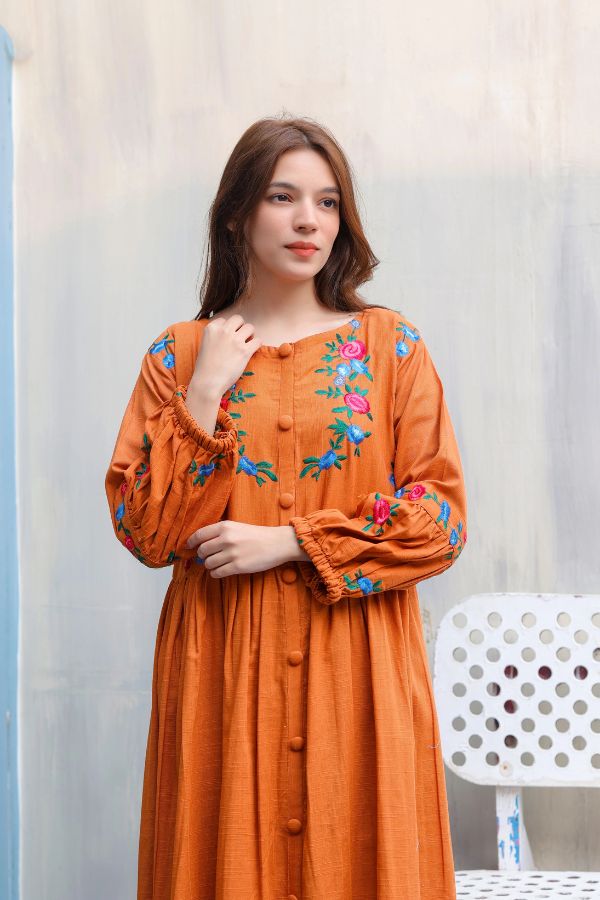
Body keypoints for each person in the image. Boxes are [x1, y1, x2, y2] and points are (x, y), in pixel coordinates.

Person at [105, 114, 468, 900]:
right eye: (283, 196)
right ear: (238, 213)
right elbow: (145, 532)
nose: (310, 220)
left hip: (358, 671)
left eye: (328, 202)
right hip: (223, 674)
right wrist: (204, 391)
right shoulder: (177, 355)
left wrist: (293, 542)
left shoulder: (389, 348)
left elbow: (440, 523)